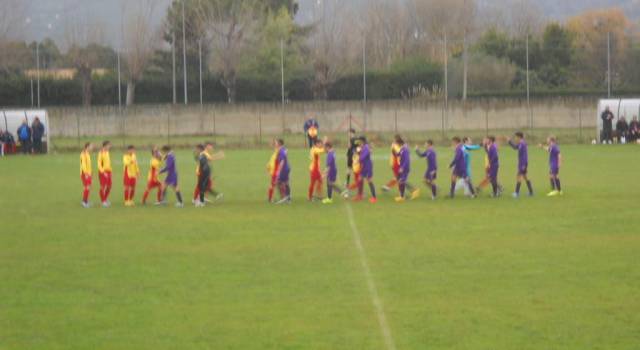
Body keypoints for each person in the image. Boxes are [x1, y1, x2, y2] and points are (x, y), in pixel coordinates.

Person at [194, 142, 224, 206]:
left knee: (202, 187)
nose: (196, 150)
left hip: (204, 173)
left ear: (200, 149)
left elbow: (210, 159)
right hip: (202, 172)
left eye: (197, 149)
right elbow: (204, 162)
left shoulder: (203, 153)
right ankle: (203, 199)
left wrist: (220, 156)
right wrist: (219, 155)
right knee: (204, 187)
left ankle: (200, 201)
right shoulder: (201, 155)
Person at [508, 132, 534, 198]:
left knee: (519, 176)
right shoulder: (520, 143)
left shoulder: (522, 144)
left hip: (523, 163)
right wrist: (509, 142)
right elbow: (515, 147)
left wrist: (524, 165)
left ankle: (516, 193)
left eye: (516, 137)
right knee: (525, 177)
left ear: (519, 137)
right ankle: (531, 192)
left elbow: (525, 155)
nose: (515, 138)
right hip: (522, 163)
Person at [394, 135, 419, 202]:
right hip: (402, 167)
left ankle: (414, 190)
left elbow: (407, 160)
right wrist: (397, 154)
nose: (397, 145)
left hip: (405, 168)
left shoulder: (405, 149)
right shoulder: (403, 148)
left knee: (402, 181)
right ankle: (402, 196)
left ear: (399, 143)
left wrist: (402, 168)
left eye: (397, 144)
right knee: (401, 181)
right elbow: (399, 154)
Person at [354, 137, 377, 203]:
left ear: (362, 141)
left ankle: (374, 197)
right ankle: (360, 196)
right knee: (359, 179)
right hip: (363, 166)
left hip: (367, 167)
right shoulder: (364, 147)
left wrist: (357, 159)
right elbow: (361, 156)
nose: (359, 143)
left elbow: (362, 158)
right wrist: (358, 152)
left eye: (360, 142)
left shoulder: (366, 148)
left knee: (369, 181)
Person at [274, 139, 291, 204]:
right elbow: (286, 150)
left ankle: (285, 198)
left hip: (283, 169)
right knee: (285, 183)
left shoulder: (281, 151)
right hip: (287, 168)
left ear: (279, 144)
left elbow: (282, 162)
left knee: (278, 182)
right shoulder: (283, 149)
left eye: (276, 143)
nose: (275, 144)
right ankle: (288, 198)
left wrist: (278, 171)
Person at [97, 140, 113, 207]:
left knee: (109, 186)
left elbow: (108, 163)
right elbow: (99, 163)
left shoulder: (107, 152)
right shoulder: (101, 153)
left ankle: (105, 199)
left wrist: (110, 171)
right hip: (103, 172)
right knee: (103, 187)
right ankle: (103, 201)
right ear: (105, 145)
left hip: (108, 171)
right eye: (109, 145)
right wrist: (103, 172)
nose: (110, 146)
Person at [80, 142, 93, 208]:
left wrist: (90, 173)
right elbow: (83, 165)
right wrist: (86, 174)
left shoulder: (87, 154)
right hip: (85, 173)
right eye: (91, 146)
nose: (92, 147)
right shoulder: (83, 154)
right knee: (87, 187)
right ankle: (84, 202)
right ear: (87, 147)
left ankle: (86, 200)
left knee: (88, 187)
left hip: (88, 173)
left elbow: (88, 165)